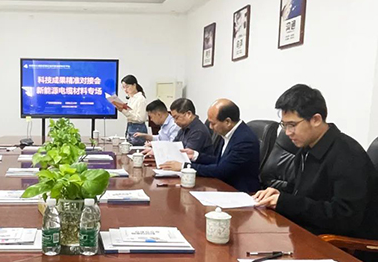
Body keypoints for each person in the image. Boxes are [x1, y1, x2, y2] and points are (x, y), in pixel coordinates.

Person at [254, 84, 378, 240]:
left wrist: (288, 203)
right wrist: (279, 195)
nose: (288, 132)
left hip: (341, 244)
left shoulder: (348, 154)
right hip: (306, 232)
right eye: (284, 125)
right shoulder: (306, 149)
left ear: (316, 120)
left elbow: (345, 217)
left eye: (292, 125)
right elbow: (299, 193)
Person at [160, 99, 260, 193]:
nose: (210, 127)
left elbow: (221, 170)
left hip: (239, 191)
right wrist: (196, 156)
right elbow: (220, 161)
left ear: (227, 122)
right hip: (223, 185)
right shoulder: (229, 132)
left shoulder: (244, 140)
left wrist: (184, 167)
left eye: (213, 123)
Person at [111, 75, 148, 146]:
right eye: (123, 87)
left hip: (138, 128)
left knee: (135, 149)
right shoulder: (131, 98)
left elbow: (141, 119)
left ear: (134, 85)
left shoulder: (141, 99)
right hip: (130, 126)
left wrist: (123, 110)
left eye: (127, 87)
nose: (125, 90)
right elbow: (131, 112)